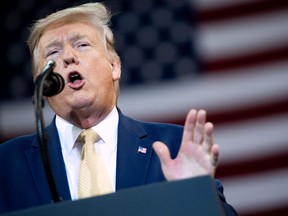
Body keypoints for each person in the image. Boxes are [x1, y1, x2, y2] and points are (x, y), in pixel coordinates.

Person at [0, 2, 238, 215]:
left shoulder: (172, 146)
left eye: (82, 44)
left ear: (114, 66)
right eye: (53, 52)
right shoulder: (7, 164)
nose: (68, 57)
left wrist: (196, 194)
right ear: (40, 80)